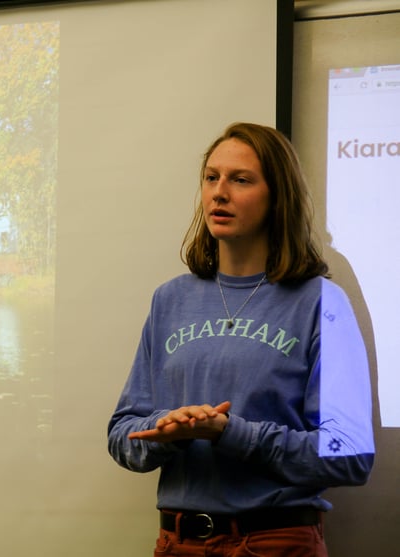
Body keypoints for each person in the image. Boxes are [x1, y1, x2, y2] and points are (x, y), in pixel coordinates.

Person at [107, 122, 375, 556]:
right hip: (178, 544)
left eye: (241, 179)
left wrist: (231, 433)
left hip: (276, 542)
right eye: (211, 177)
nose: (219, 192)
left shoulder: (321, 303)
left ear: (277, 197)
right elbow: (122, 434)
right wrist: (167, 432)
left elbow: (351, 457)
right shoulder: (170, 300)